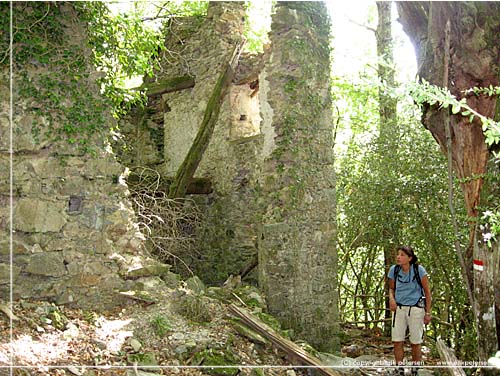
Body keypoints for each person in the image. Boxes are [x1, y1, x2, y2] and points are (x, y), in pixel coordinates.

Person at [388, 245, 432, 376]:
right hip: (399, 309)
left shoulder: (419, 270)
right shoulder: (394, 270)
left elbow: (427, 292)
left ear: (410, 258)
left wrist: (428, 312)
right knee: (397, 341)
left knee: (415, 342)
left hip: (416, 309)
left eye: (402, 255)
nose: (398, 257)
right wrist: (392, 299)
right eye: (398, 254)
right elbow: (391, 288)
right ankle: (399, 369)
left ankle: (415, 370)